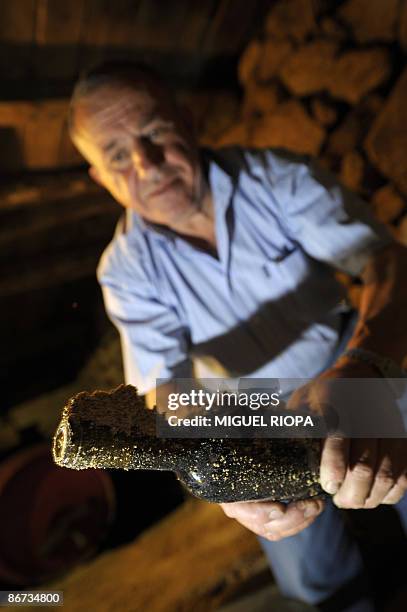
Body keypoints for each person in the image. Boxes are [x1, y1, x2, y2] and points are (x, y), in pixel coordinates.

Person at [68, 61, 407, 612]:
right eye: (116, 157)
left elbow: (387, 262)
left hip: (349, 366)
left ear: (187, 119)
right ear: (100, 179)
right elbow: (165, 396)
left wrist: (364, 366)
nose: (146, 164)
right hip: (251, 418)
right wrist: (225, 486)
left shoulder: (275, 179)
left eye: (153, 133)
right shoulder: (126, 271)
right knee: (311, 582)